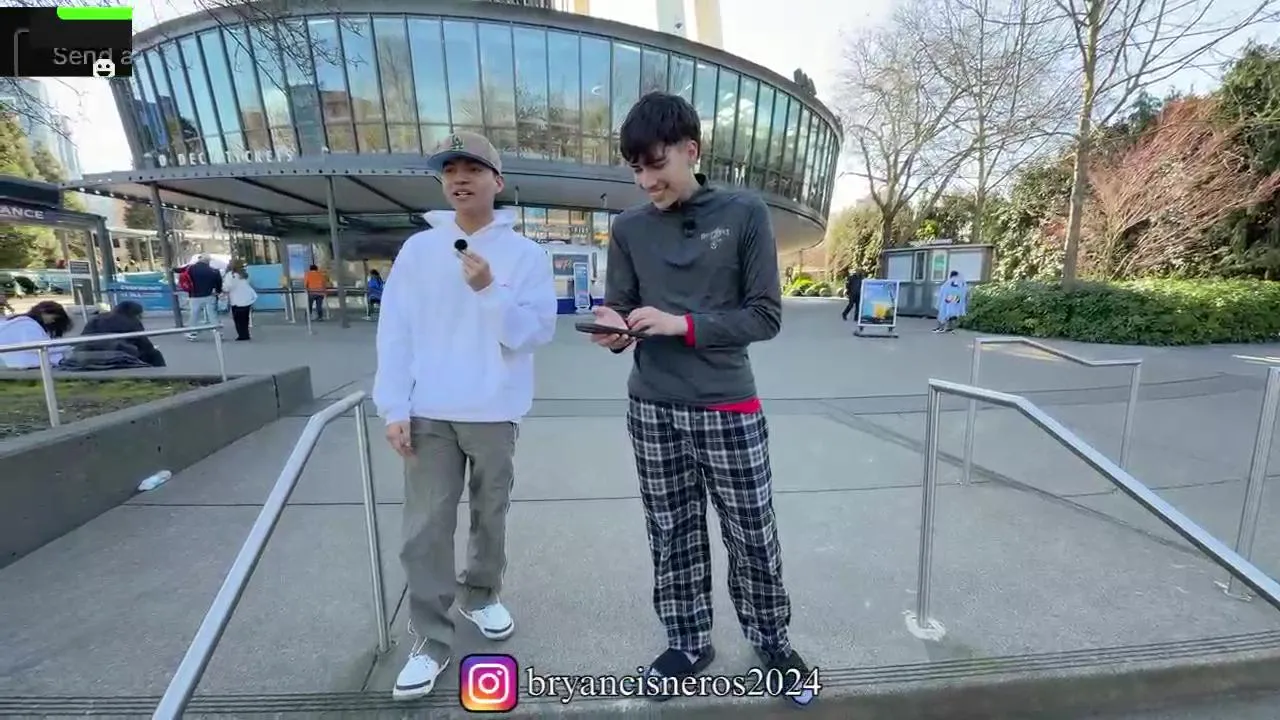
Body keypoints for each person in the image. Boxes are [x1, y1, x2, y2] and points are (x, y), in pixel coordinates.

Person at [587, 92, 815, 706]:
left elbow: (765, 316)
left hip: (726, 406)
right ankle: (687, 642)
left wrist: (681, 324)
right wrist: (613, 328)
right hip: (652, 408)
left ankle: (772, 642)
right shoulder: (628, 229)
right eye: (636, 168)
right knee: (672, 532)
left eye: (656, 164)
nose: (646, 181)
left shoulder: (744, 213)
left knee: (752, 534)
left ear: (692, 150)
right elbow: (622, 307)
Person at [373, 130, 558, 702]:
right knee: (425, 527)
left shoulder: (526, 255)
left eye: (472, 169)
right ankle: (430, 638)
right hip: (428, 408)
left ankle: (481, 594)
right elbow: (395, 331)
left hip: (494, 409)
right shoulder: (418, 250)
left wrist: (489, 290)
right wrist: (393, 405)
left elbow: (535, 333)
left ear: (496, 181)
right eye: (450, 170)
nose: (459, 178)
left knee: (489, 511)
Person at [62, 300, 166, 370]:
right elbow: (145, 346)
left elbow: (84, 337)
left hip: (87, 355)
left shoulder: (96, 318)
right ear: (136, 314)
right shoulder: (132, 321)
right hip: (119, 355)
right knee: (155, 354)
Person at [0, 300, 72, 369]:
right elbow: (35, 346)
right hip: (21, 361)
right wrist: (67, 346)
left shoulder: (22, 322)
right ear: (43, 312)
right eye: (53, 317)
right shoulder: (28, 324)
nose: (53, 321)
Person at [182, 254, 223, 340]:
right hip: (210, 295)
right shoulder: (214, 270)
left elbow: (180, 270)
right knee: (212, 315)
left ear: (199, 260)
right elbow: (219, 283)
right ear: (208, 261)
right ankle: (218, 334)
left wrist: (171, 269)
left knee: (194, 315)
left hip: (194, 295)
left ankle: (192, 333)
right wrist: (218, 292)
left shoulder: (190, 268)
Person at [223, 260, 259, 341]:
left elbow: (227, 287)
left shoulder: (230, 275)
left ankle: (242, 335)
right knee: (245, 318)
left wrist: (222, 289)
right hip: (246, 298)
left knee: (238, 319)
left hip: (236, 300)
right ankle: (246, 334)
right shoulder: (245, 274)